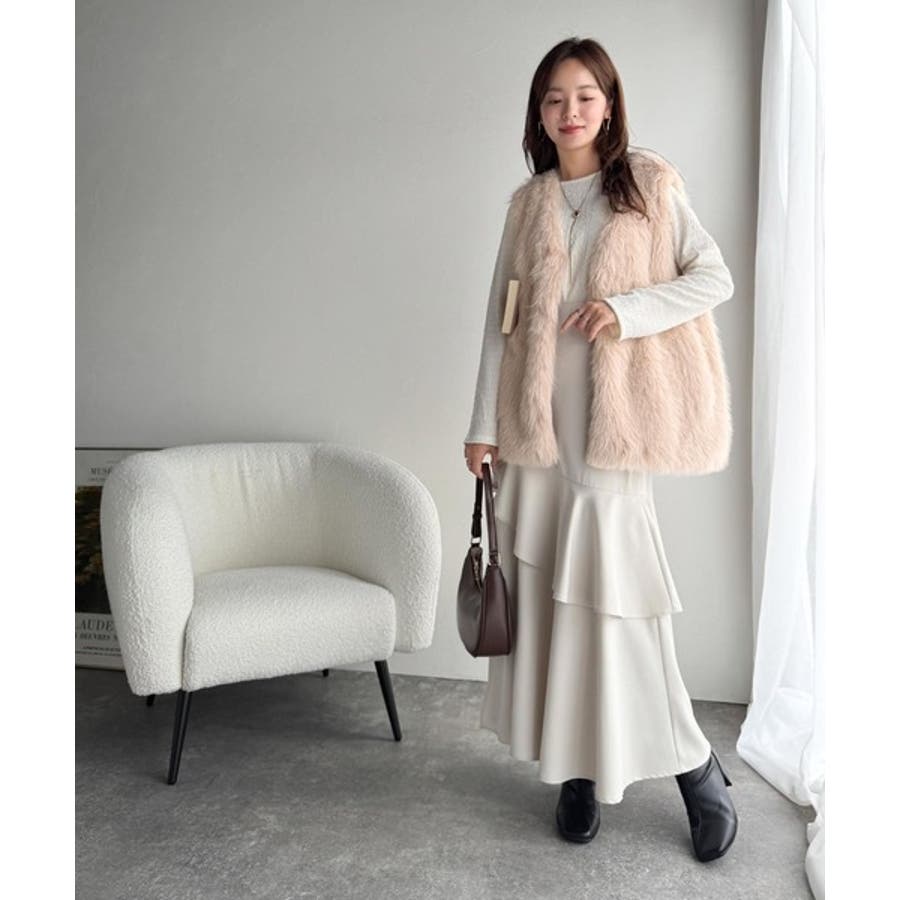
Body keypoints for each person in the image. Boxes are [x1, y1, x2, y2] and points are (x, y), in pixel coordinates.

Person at [463, 37, 738, 861]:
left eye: (585, 95)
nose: (569, 110)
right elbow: (501, 321)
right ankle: (578, 773)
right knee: (555, 611)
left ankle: (697, 770)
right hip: (535, 436)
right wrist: (482, 426)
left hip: (609, 436)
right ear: (538, 114)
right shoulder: (528, 204)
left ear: (609, 105)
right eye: (554, 98)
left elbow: (712, 276)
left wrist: (626, 311)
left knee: (622, 612)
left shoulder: (648, 184)